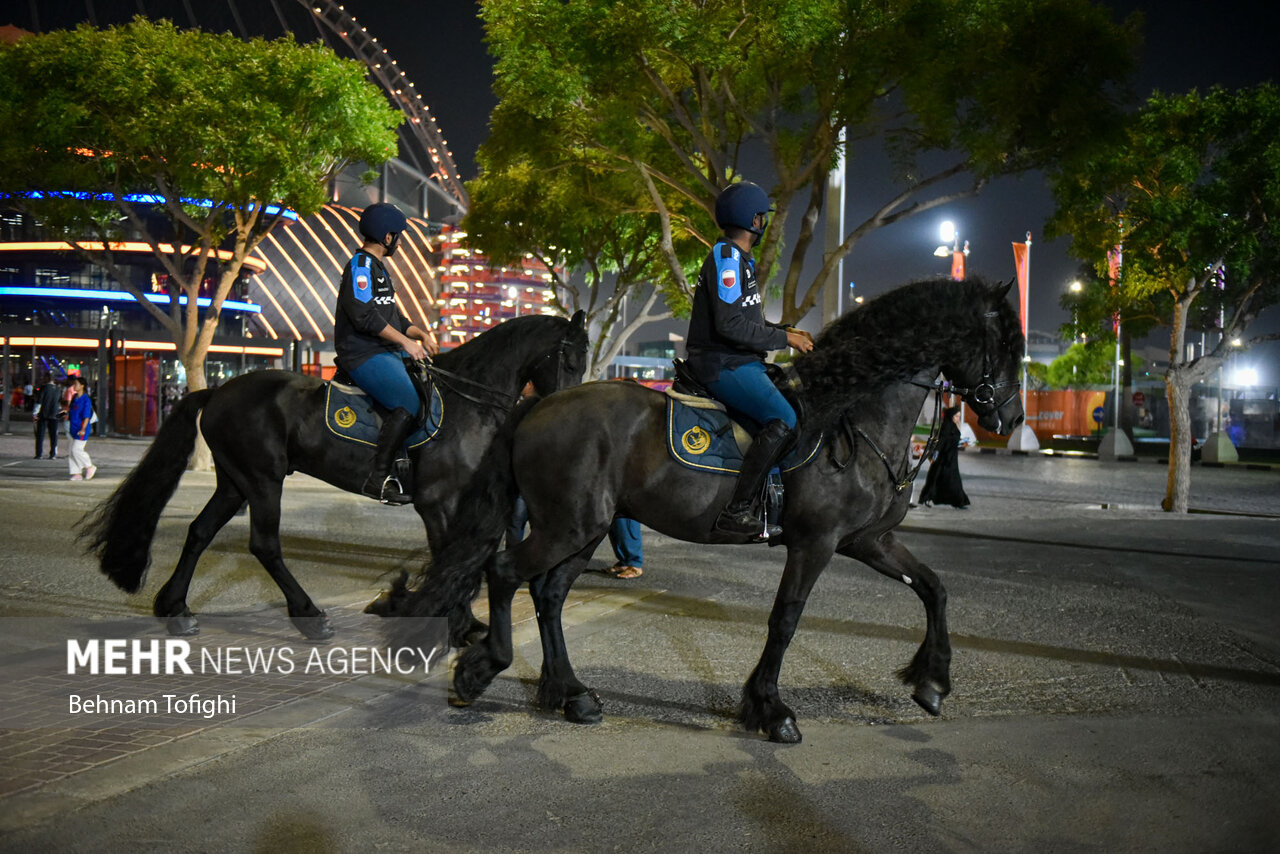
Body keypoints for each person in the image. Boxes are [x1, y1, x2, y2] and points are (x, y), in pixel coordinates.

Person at [685, 181, 814, 536]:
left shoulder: (740, 259)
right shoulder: (727, 258)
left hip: (737, 359)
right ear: (755, 220)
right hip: (721, 363)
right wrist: (785, 337)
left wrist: (787, 330)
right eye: (763, 216)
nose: (764, 222)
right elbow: (730, 325)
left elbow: (750, 321)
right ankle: (737, 510)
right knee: (784, 417)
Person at [333, 202, 439, 504]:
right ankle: (377, 478)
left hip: (383, 348)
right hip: (363, 353)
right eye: (398, 235)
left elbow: (390, 318)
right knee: (409, 401)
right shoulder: (362, 267)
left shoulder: (378, 268)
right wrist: (406, 343)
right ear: (387, 236)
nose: (399, 241)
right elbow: (365, 316)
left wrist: (417, 333)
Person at [919, 406, 970, 509]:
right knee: (937, 478)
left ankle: (958, 501)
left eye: (959, 416)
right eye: (956, 416)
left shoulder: (954, 426)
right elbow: (941, 442)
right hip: (944, 459)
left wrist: (961, 443)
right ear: (951, 416)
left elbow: (952, 440)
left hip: (951, 458)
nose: (957, 418)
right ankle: (928, 498)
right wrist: (935, 454)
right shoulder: (946, 426)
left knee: (949, 480)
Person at [66, 375, 96, 481]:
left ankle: (89, 466)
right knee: (71, 451)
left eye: (76, 384)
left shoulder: (86, 400)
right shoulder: (75, 398)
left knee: (76, 449)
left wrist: (83, 429)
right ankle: (77, 473)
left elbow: (86, 416)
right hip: (73, 428)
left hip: (81, 429)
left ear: (82, 386)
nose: (74, 386)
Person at [32, 376, 62, 460]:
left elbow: (39, 401)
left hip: (43, 414)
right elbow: (59, 402)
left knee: (40, 435)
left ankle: (39, 454)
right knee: (53, 436)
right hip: (54, 414)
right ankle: (53, 454)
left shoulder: (44, 388)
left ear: (46, 379)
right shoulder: (58, 389)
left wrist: (35, 413)